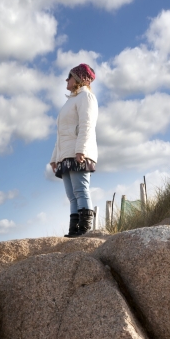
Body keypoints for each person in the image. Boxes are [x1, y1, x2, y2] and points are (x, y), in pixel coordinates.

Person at [50, 63, 98, 237]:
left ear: (79, 78)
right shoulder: (69, 102)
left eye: (69, 76)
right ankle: (73, 230)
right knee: (71, 195)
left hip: (78, 152)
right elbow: (61, 134)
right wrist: (55, 158)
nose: (66, 79)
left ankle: (84, 231)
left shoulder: (86, 97)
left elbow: (87, 125)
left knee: (80, 190)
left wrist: (81, 150)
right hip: (66, 154)